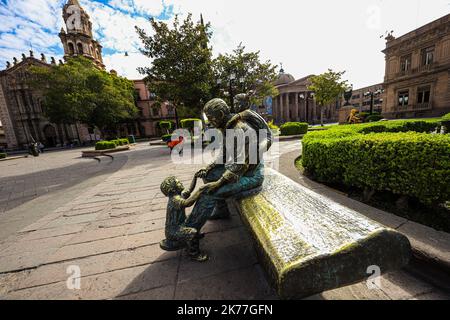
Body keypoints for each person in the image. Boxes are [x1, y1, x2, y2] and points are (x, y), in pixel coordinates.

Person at [182, 98, 271, 255]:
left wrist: (218, 183)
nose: (210, 122)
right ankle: (222, 210)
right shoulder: (227, 128)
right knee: (209, 176)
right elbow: (224, 154)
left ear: (221, 114)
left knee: (210, 192)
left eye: (212, 118)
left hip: (252, 175)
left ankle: (189, 234)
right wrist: (209, 167)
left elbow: (240, 165)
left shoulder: (239, 129)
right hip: (241, 170)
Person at [160, 175, 209, 262]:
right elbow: (187, 203)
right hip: (173, 231)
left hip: (180, 224)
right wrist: (200, 190)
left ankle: (192, 237)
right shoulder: (175, 199)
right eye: (178, 183)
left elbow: (189, 190)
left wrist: (195, 177)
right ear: (173, 190)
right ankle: (193, 253)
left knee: (194, 218)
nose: (181, 183)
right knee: (192, 232)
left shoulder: (178, 195)